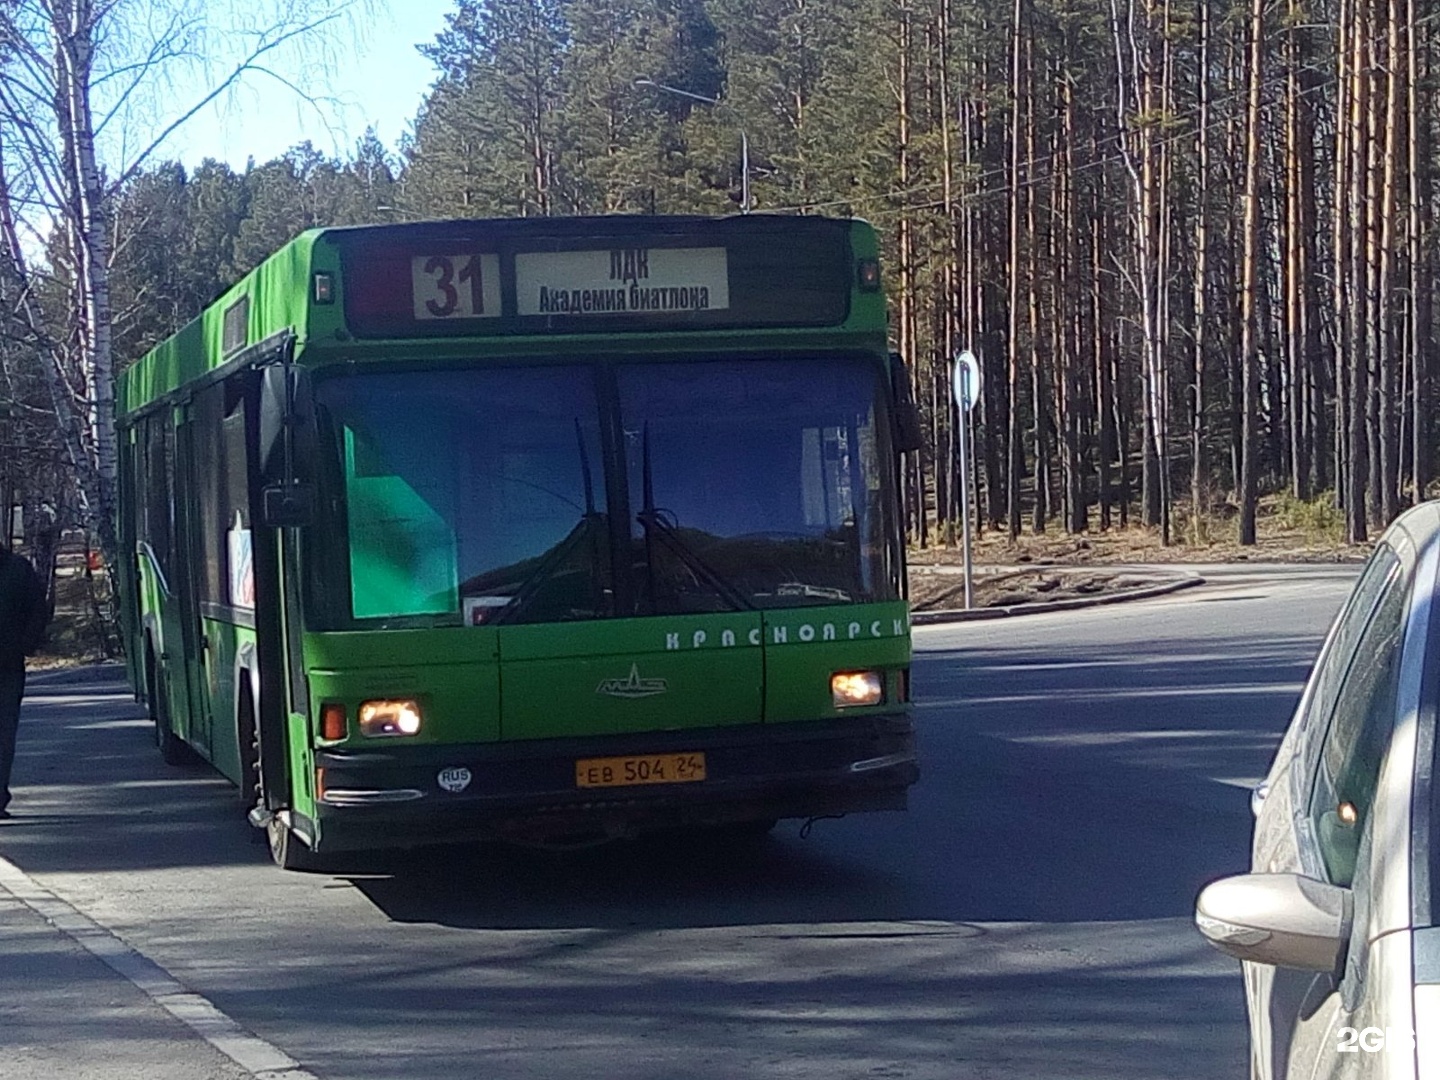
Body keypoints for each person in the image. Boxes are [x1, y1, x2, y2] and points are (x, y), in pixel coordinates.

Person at [0, 545, 49, 819]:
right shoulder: (18, 568)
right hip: (9, 662)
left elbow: (37, 610)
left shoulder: (17, 570)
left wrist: (25, 644)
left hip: (7, 667)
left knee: (4, 734)